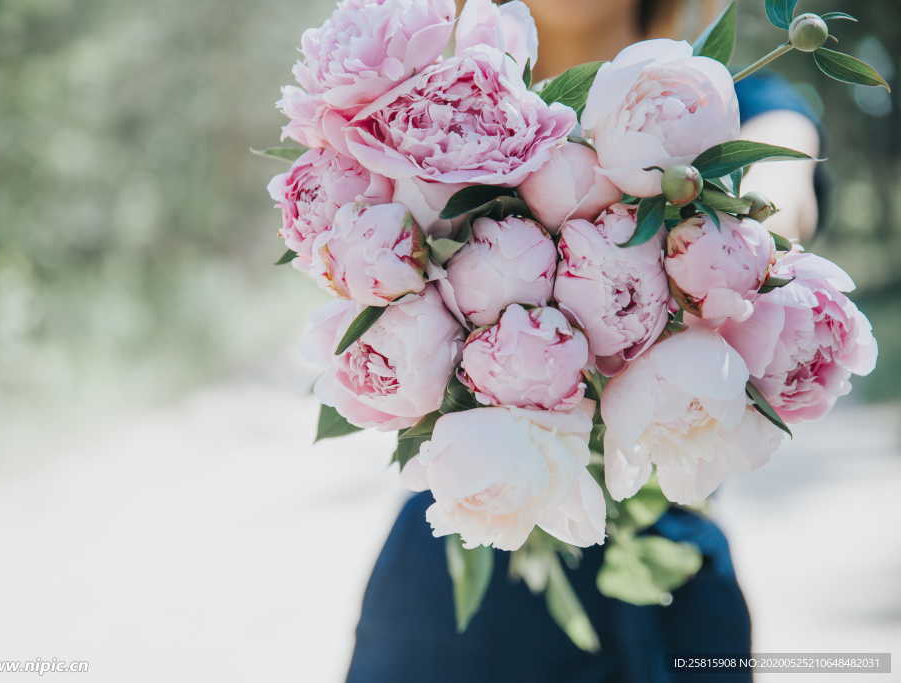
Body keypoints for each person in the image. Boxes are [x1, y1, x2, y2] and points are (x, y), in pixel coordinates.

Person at [346, 2, 826, 682]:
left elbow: (786, 180)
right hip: (462, 566)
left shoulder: (721, 95)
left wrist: (727, 220)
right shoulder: (433, 107)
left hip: (670, 586)